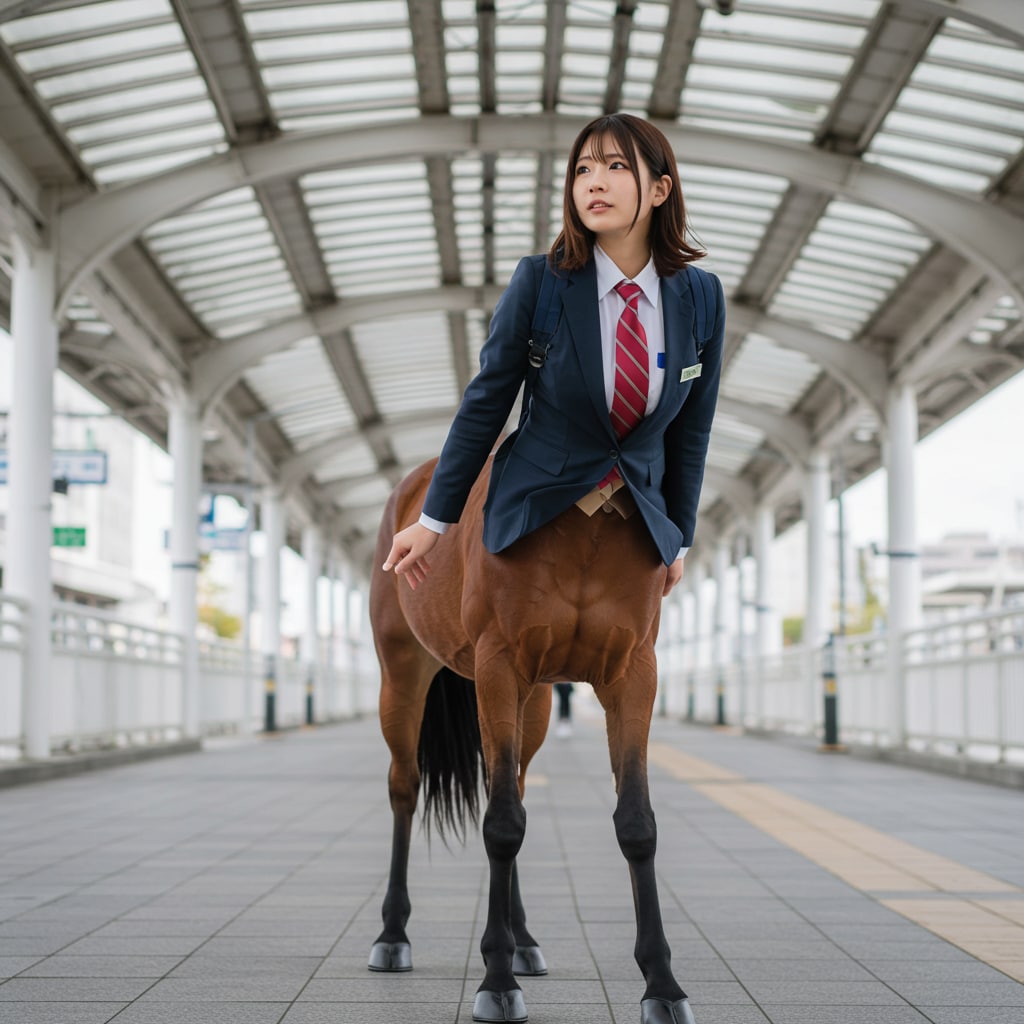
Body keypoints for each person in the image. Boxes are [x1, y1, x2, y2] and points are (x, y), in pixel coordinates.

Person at [382, 112, 724, 601]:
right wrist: (433, 520)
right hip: (534, 508)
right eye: (583, 170)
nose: (594, 183)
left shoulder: (703, 298)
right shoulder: (540, 281)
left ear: (659, 189)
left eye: (616, 166)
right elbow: (487, 401)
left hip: (638, 519)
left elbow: (693, 429)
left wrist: (680, 538)